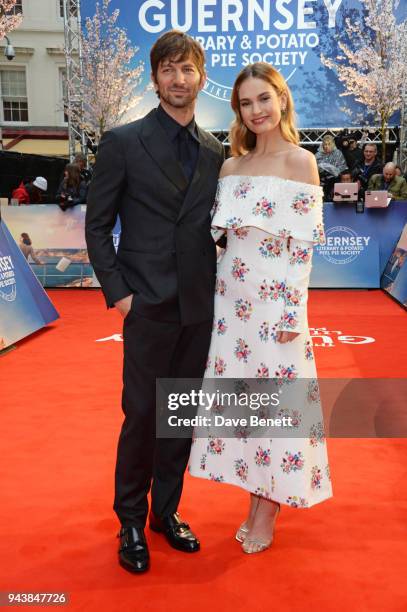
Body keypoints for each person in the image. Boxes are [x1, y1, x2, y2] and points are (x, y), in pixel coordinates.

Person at [85, 30, 224, 574]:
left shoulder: (217, 151)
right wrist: (120, 296)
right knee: (142, 414)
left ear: (201, 77)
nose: (178, 78)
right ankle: (129, 520)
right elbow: (98, 228)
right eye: (168, 69)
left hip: (198, 307)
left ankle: (166, 512)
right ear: (155, 78)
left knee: (178, 416)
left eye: (187, 69)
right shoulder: (122, 142)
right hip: (145, 306)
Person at [189, 62, 332, 554]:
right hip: (232, 308)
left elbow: (302, 249)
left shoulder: (301, 163)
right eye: (246, 103)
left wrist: (294, 313)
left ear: (282, 99)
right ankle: (254, 500)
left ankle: (269, 507)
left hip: (276, 310)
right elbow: (223, 244)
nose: (256, 111)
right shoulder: (231, 167)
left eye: (264, 99)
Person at [315, 135, 347, 200]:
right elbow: (314, 169)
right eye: (325, 144)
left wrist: (332, 170)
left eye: (329, 144)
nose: (326, 146)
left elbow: (342, 167)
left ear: (332, 144)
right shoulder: (318, 155)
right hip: (321, 181)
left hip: (335, 181)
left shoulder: (338, 154)